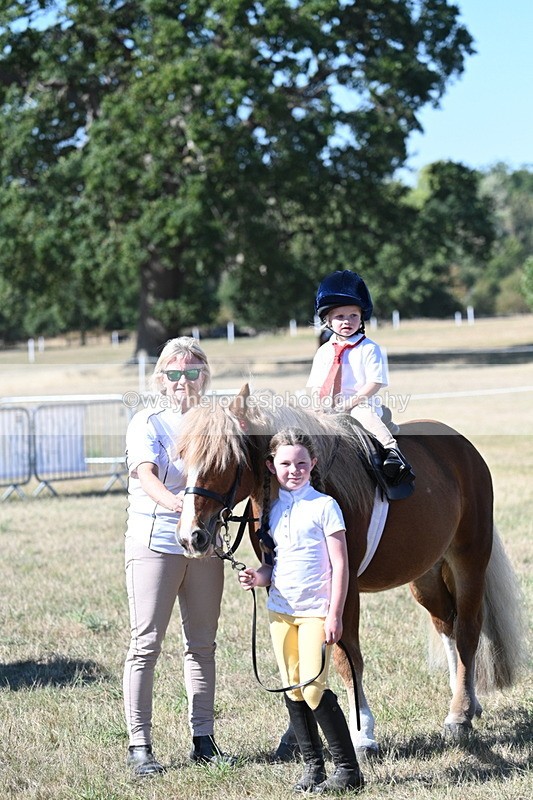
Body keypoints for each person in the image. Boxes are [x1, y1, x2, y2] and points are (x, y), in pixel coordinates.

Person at [123, 336, 235, 776]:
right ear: (161, 378)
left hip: (206, 545)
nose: (182, 381)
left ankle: (204, 739)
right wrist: (179, 506)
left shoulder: (217, 421)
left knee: (202, 644)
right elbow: (146, 474)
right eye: (174, 373)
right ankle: (140, 745)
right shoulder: (147, 421)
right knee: (145, 644)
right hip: (156, 542)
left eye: (191, 372)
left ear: (203, 376)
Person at [239, 428, 364, 794]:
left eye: (301, 464)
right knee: (292, 690)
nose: (293, 470)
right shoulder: (272, 510)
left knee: (312, 688)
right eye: (285, 464)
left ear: (313, 464)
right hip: (281, 612)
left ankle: (349, 770)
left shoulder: (325, 507)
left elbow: (341, 565)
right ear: (271, 466)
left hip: (315, 612)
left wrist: (335, 614)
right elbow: (272, 566)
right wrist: (258, 577)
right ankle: (314, 767)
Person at [307, 269, 413, 486]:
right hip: (328, 405)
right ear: (328, 320)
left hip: (360, 403)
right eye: (340, 316)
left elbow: (374, 383)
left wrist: (349, 404)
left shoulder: (369, 348)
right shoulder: (324, 352)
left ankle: (392, 451)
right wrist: (317, 404)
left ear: (361, 317)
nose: (347, 321)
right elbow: (315, 384)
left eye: (353, 315)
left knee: (363, 413)